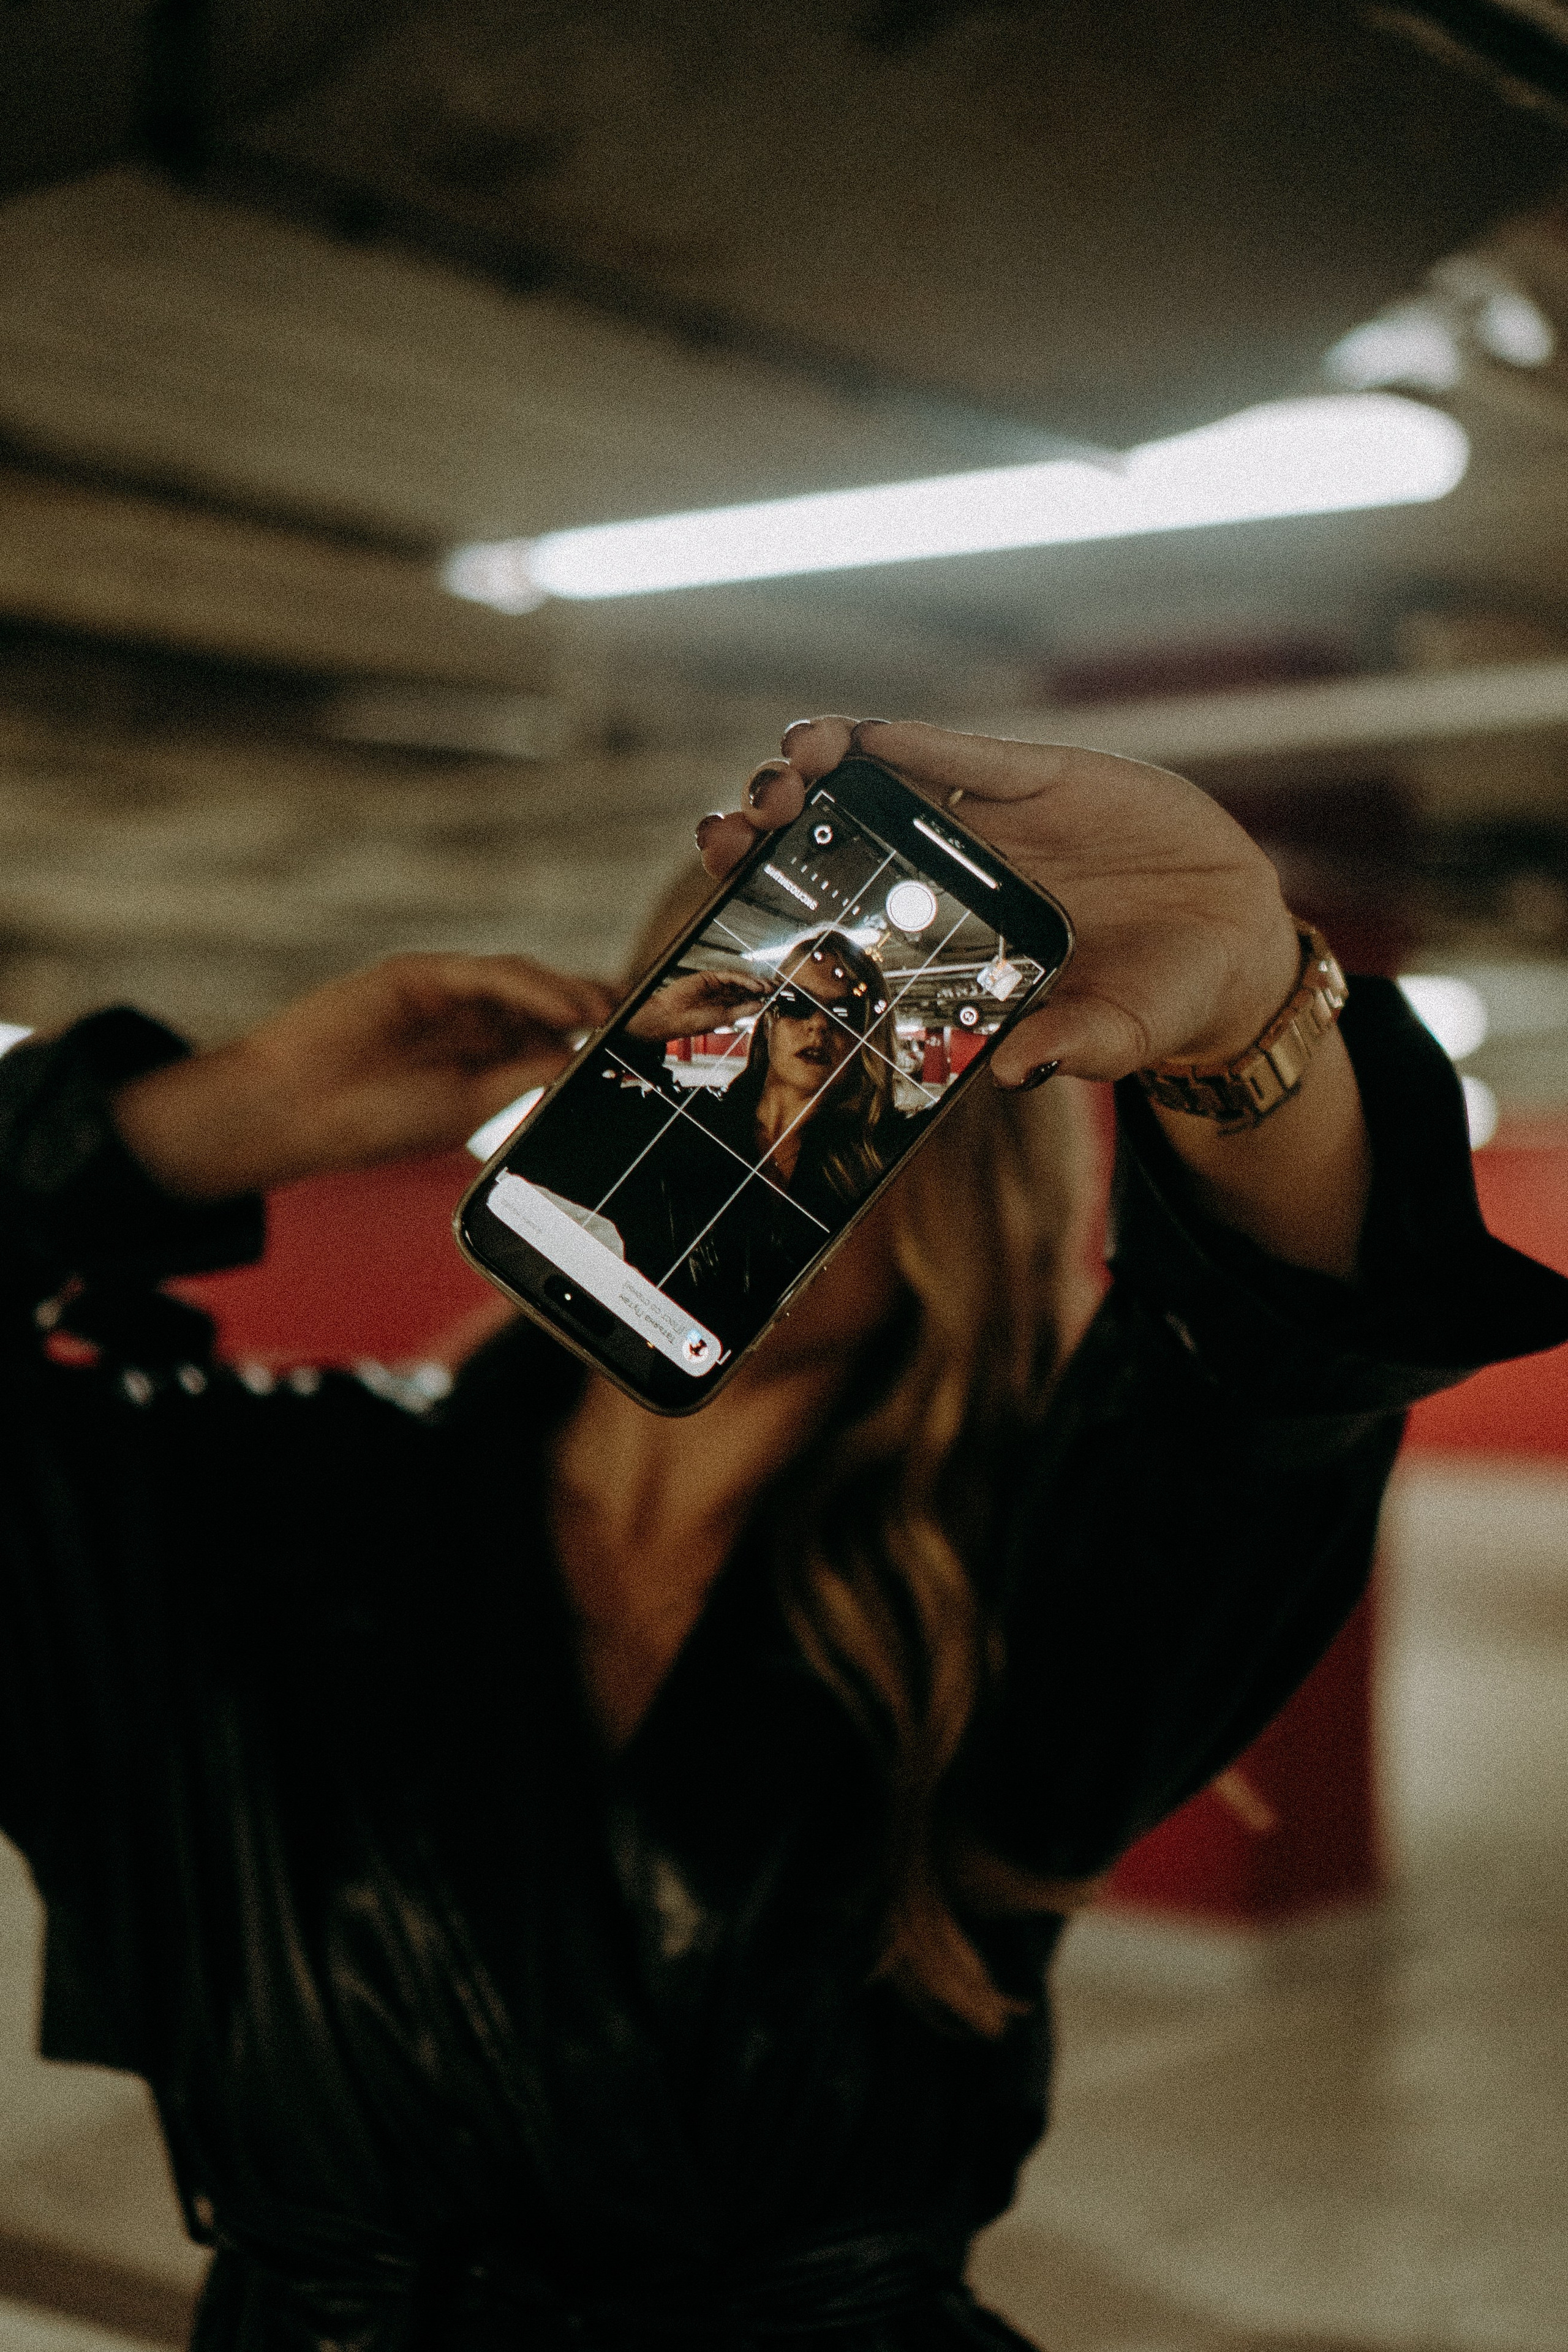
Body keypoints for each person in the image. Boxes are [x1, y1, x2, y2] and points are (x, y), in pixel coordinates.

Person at [2, 717, 1565, 2352]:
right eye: (722, 1020)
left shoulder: (1017, 1574)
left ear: (960, 1157)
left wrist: (1254, 1026)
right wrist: (186, 1125)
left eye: (853, 1053)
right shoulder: (246, 1501)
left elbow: (1268, 1390)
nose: (774, 1082)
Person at [509, 927, 924, 1348]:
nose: (819, 1026)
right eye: (798, 1004)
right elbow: (540, 1145)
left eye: (844, 1013)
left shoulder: (891, 1158)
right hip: (656, 1354)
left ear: (867, 1034)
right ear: (769, 1022)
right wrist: (644, 1026)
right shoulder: (684, 1126)